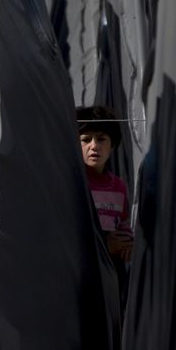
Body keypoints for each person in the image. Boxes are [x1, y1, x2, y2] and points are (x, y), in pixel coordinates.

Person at [77, 106, 133, 262]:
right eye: (86, 140)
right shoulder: (73, 183)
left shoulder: (119, 186)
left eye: (101, 139)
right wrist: (105, 245)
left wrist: (126, 243)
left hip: (112, 268)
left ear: (113, 145)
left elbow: (124, 224)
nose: (94, 146)